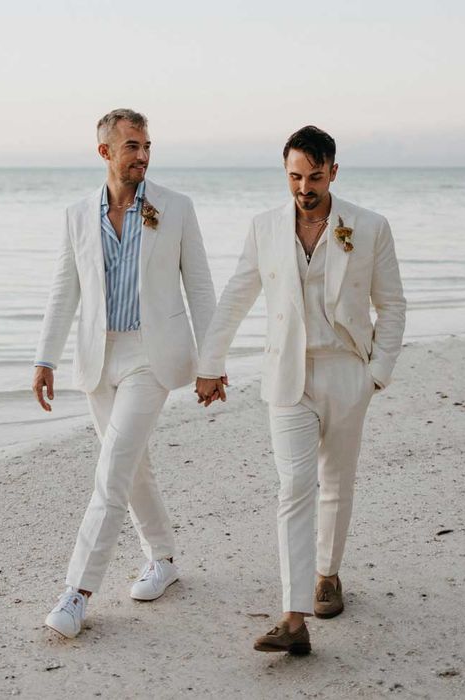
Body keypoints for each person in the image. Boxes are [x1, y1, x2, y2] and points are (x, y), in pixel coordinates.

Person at [195, 125, 405, 654]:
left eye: (314, 176)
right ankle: (293, 618)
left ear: (334, 171)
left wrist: (376, 372)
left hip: (346, 372)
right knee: (294, 488)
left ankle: (327, 574)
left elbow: (393, 305)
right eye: (294, 176)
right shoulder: (264, 228)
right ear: (284, 172)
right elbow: (236, 296)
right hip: (288, 377)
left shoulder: (371, 227)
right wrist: (210, 363)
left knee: (337, 482)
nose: (303, 187)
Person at [33, 108, 218, 639]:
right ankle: (163, 558)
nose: (142, 155)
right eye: (132, 146)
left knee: (112, 468)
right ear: (105, 152)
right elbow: (63, 291)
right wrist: (44, 358)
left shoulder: (175, 208)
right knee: (132, 466)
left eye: (147, 146)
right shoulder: (76, 215)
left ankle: (76, 592)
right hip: (98, 357)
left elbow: (200, 288)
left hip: (151, 356)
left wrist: (213, 362)